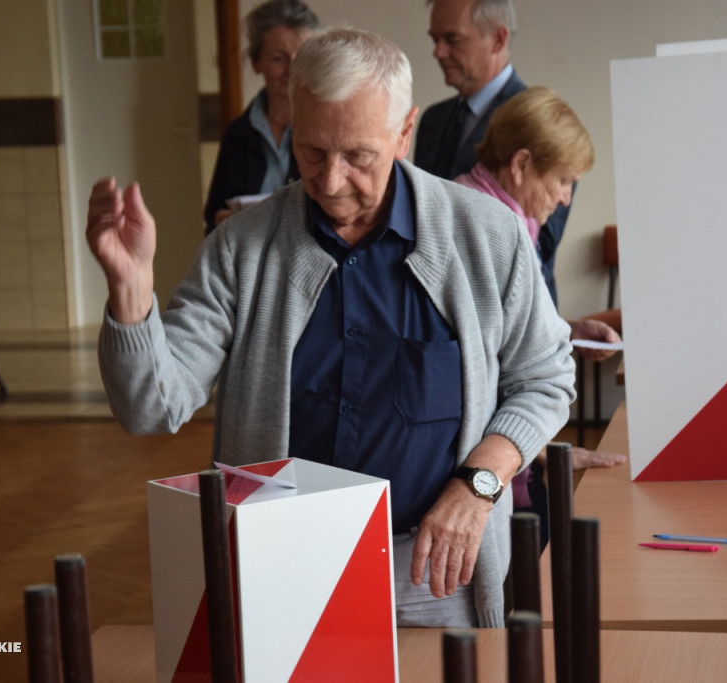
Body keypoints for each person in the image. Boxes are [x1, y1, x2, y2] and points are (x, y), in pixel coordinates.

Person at [87, 28, 575, 628]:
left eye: (358, 157)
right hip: (282, 569)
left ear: (405, 131)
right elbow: (149, 407)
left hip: (436, 572)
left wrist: (479, 486)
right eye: (312, 152)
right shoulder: (242, 248)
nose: (333, 180)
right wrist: (132, 289)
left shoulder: (486, 236)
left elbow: (547, 379)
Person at [453, 85, 625, 543]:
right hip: (481, 473)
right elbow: (477, 362)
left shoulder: (502, 214)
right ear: (522, 164)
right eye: (564, 180)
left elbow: (499, 327)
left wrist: (566, 330)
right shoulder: (487, 224)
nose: (566, 198)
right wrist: (543, 447)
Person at [414, 0, 569, 307]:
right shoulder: (432, 120)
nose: (438, 52)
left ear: (498, 38)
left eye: (452, 39)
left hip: (513, 317)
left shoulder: (544, 122)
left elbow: (541, 240)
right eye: (435, 40)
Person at [202, 0, 319, 234]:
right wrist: (226, 226)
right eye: (279, 58)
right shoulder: (238, 134)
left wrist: (256, 224)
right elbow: (213, 219)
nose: (292, 69)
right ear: (257, 62)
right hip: (247, 264)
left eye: (302, 57)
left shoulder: (325, 131)